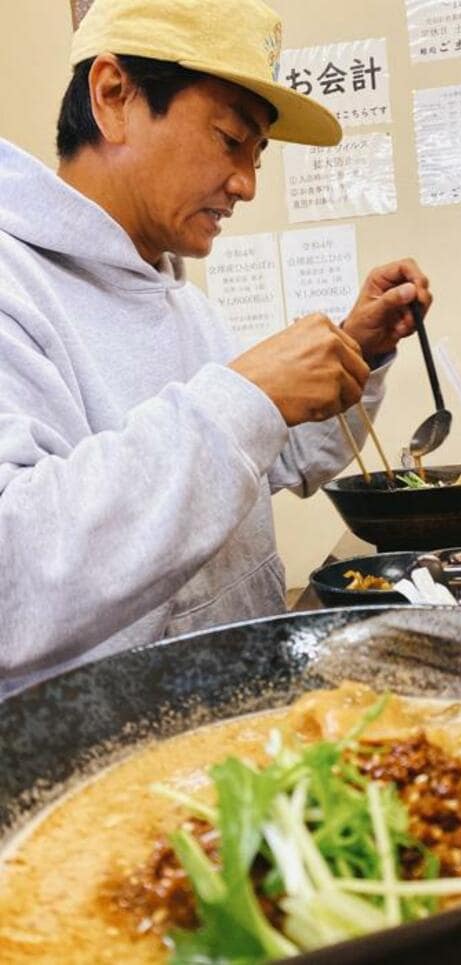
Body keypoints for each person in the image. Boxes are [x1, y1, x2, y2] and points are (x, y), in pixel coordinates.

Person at [0, 0, 432, 696]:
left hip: (245, 714)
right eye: (231, 139)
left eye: (257, 154)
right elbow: (13, 577)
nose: (248, 184)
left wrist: (358, 350)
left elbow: (271, 455)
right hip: (104, 765)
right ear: (114, 97)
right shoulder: (14, 284)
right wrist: (247, 396)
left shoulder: (179, 297)